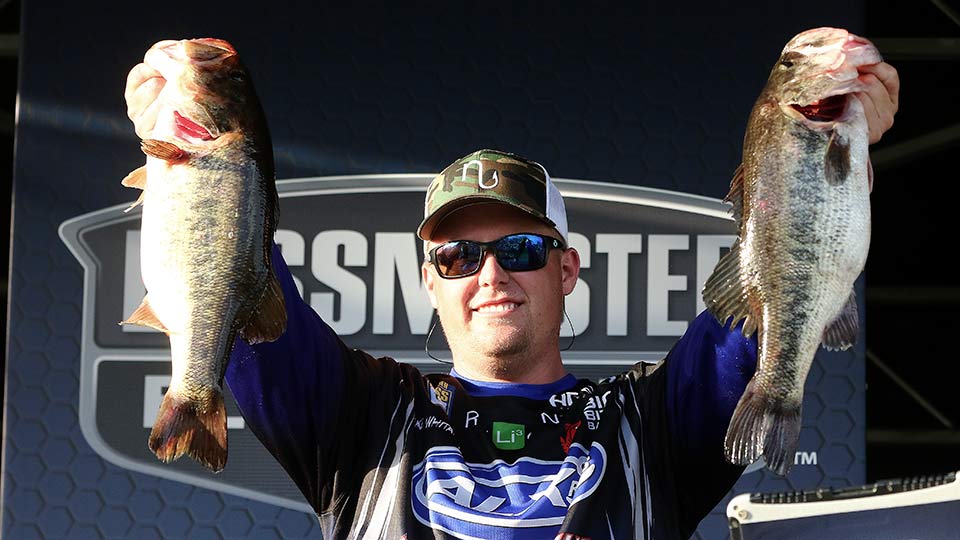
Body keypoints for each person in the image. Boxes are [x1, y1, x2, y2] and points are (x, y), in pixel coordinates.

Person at [222, 65, 899, 539]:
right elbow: (234, 282)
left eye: (519, 250)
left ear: (566, 268)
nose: (491, 274)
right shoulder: (363, 414)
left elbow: (767, 294)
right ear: (431, 280)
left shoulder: (651, 424)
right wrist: (197, 156)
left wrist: (821, 145)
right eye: (458, 256)